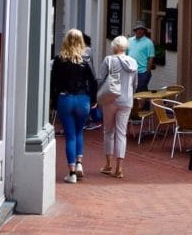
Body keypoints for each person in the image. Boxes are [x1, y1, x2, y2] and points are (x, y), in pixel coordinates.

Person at [50, 28, 98, 183]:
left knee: (69, 135)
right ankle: (79, 163)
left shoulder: (58, 60)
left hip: (65, 98)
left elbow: (54, 83)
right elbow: (93, 81)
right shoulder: (84, 62)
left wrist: (53, 100)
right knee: (79, 133)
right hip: (82, 99)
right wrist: (93, 99)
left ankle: (71, 173)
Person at [98, 36, 138, 179]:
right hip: (126, 100)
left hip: (111, 99)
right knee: (122, 133)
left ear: (114, 47)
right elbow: (135, 84)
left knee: (108, 132)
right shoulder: (133, 62)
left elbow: (100, 79)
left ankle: (108, 164)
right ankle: (119, 168)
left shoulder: (109, 60)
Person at [127, 20, 156, 92]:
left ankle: (141, 103)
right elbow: (125, 55)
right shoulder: (129, 40)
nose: (139, 31)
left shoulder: (148, 43)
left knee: (140, 92)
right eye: (137, 29)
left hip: (142, 72)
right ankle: (145, 103)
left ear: (144, 31)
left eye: (141, 29)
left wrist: (147, 72)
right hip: (131, 71)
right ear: (135, 30)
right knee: (132, 91)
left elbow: (151, 58)